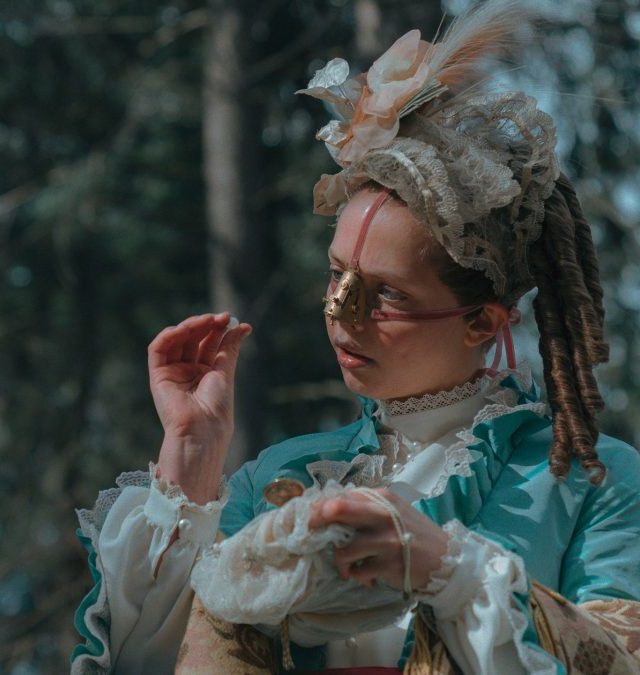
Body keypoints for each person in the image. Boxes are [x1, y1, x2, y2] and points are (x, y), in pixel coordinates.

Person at [71, 1, 640, 673]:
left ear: (483, 321)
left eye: (387, 293)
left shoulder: (592, 480)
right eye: (336, 274)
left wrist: (450, 571)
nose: (341, 314)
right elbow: (147, 664)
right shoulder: (279, 475)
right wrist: (192, 456)